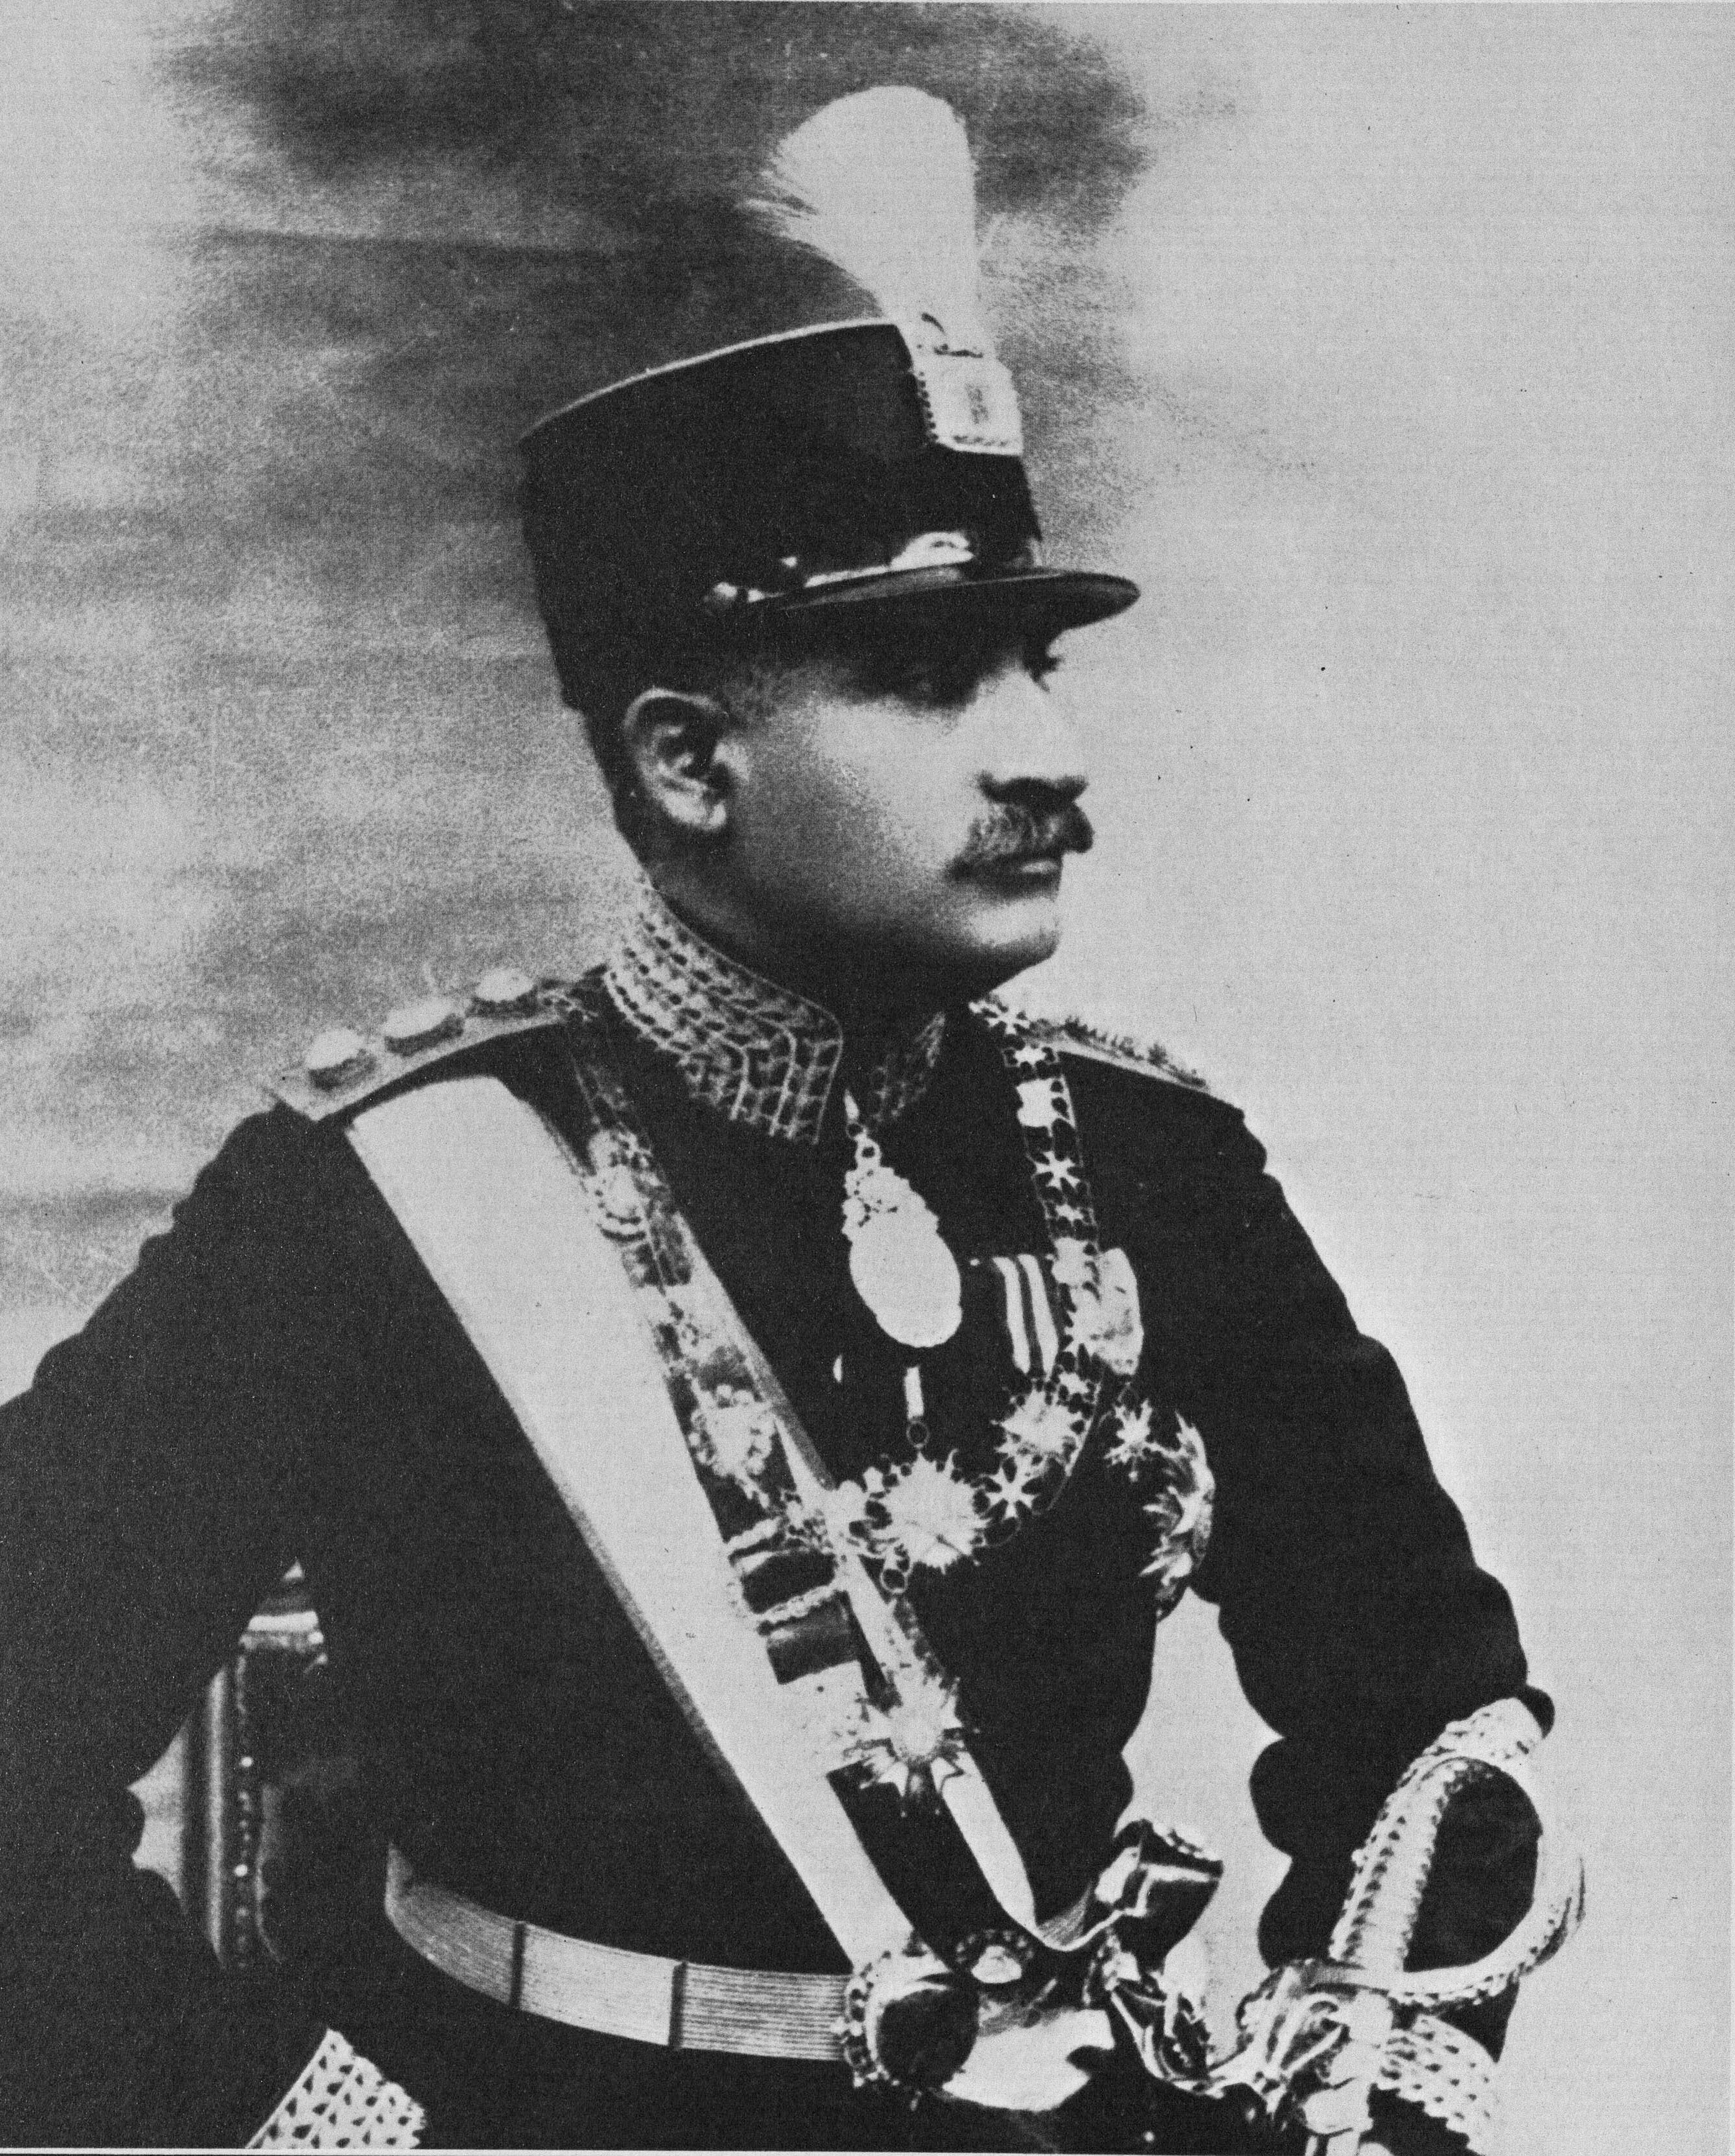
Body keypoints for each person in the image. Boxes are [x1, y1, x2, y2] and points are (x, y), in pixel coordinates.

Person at [0, 89, 1572, 2153]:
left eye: (1038, 662)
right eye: (931, 678)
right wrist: (301, 2127)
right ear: (687, 762)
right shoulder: (378, 1197)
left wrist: (1366, 2111)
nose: (1049, 753)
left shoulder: (1159, 1172)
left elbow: (1434, 1720)